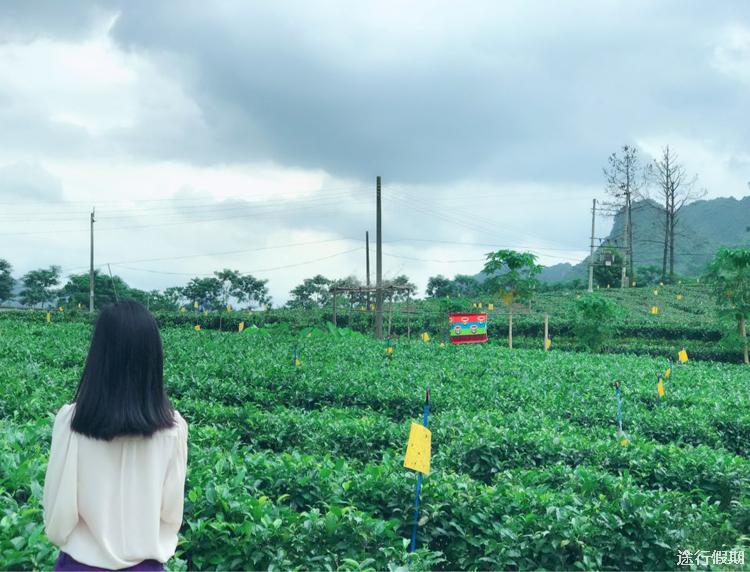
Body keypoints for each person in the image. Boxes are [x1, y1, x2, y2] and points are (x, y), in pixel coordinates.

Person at [43, 300, 188, 571]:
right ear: (152, 357)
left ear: (99, 355)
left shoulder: (71, 422)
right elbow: (170, 515)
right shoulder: (173, 429)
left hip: (80, 566)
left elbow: (58, 515)